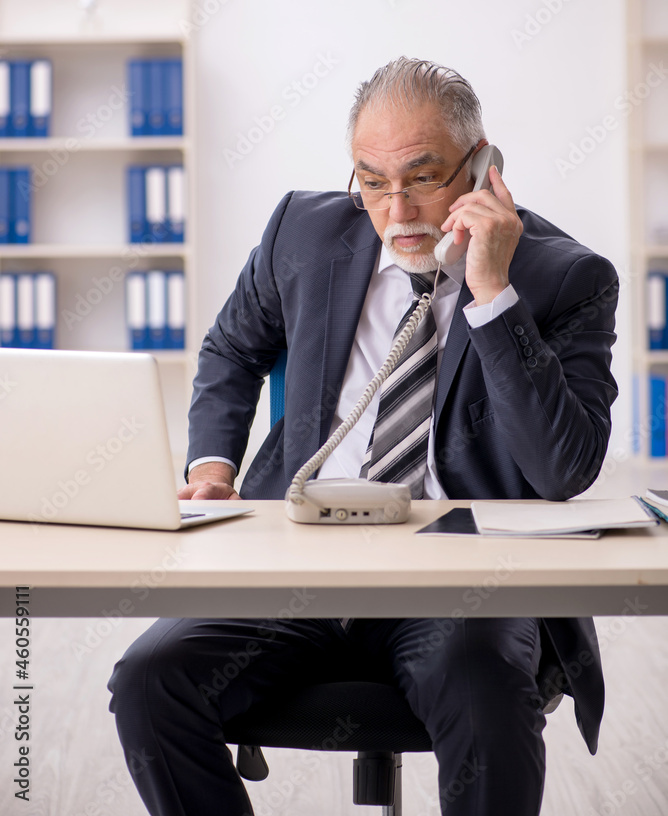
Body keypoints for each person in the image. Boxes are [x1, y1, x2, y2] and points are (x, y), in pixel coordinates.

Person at [108, 58, 618, 816]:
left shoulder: (568, 278)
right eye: (372, 181)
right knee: (150, 681)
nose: (398, 210)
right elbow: (232, 348)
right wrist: (213, 465)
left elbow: (563, 470)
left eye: (425, 176)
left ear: (484, 167)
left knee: (485, 693)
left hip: (463, 579)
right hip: (298, 557)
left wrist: (492, 294)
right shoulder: (302, 232)